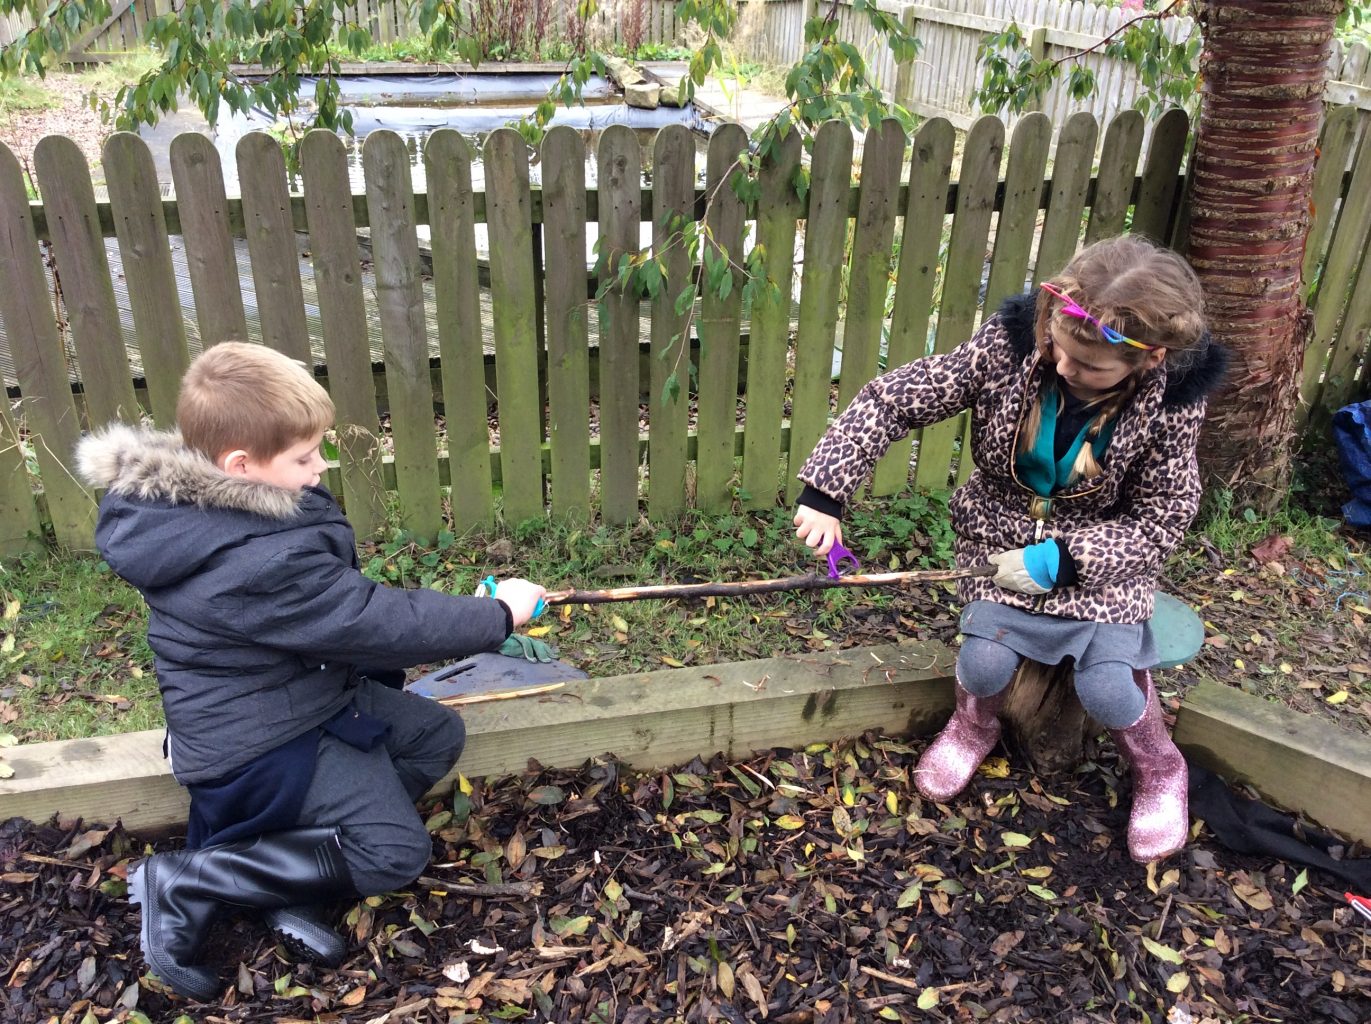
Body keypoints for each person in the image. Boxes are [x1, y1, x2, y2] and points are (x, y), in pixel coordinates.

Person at [76, 342, 548, 1000]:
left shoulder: (226, 508)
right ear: (240, 465)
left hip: (297, 699)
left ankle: (297, 876)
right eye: (304, 457)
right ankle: (187, 881)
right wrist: (495, 615)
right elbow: (368, 619)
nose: (319, 466)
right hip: (256, 747)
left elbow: (335, 614)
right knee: (395, 854)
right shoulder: (249, 560)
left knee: (433, 736)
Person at [792, 236, 1227, 864]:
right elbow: (893, 399)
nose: (1063, 366)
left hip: (1103, 566)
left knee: (1108, 687)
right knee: (984, 666)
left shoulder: (1171, 406)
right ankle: (973, 727)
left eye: (1090, 366)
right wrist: (826, 491)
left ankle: (1161, 767)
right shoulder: (1008, 348)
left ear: (1150, 358)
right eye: (1058, 345)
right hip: (1000, 541)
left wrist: (1068, 560)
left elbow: (1163, 516)